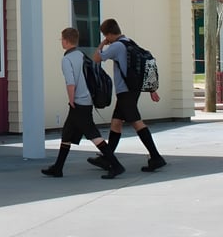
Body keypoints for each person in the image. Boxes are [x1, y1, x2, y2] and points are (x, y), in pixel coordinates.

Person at [41, 27, 125, 179]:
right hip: (87, 100)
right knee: (67, 133)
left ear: (65, 41)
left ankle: (116, 165)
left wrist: (71, 99)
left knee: (93, 135)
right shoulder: (81, 55)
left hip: (78, 102)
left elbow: (70, 82)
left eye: (61, 40)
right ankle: (58, 168)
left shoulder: (66, 59)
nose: (61, 42)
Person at [87, 18, 166, 173]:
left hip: (125, 92)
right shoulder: (129, 42)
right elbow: (142, 67)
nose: (106, 38)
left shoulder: (116, 46)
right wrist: (151, 89)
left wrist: (102, 44)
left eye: (105, 35)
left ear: (109, 34)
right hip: (133, 89)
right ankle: (107, 157)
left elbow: (96, 58)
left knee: (137, 123)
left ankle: (156, 157)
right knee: (116, 123)